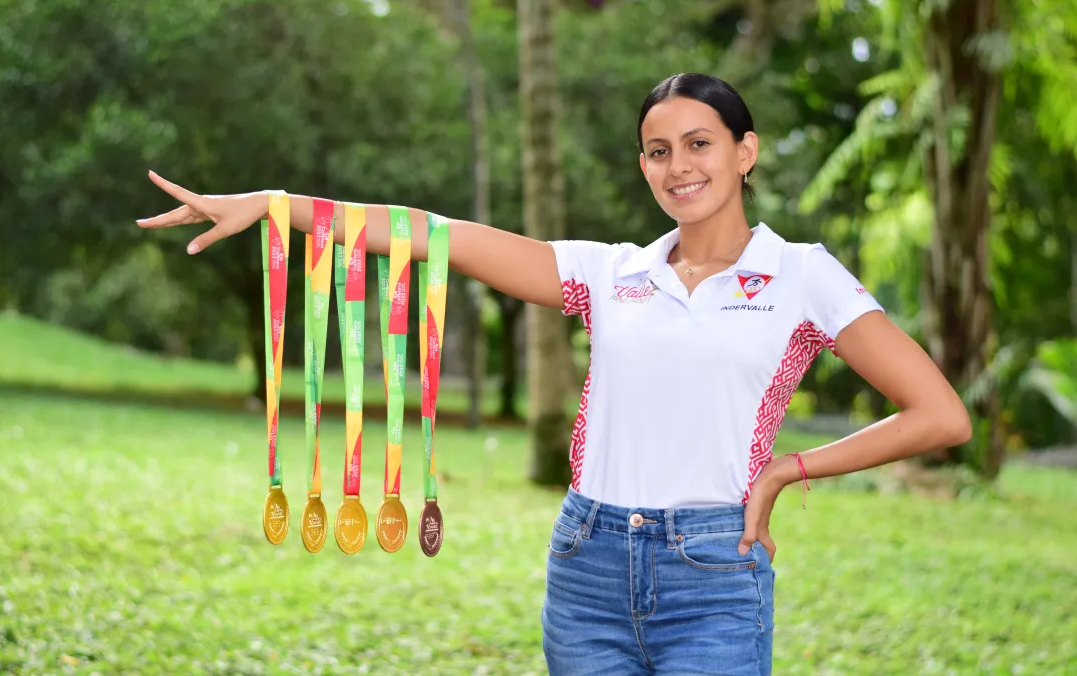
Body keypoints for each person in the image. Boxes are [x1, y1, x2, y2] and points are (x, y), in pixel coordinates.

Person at [138, 72, 971, 675]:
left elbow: (938, 414)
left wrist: (791, 468)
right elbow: (434, 233)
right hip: (587, 561)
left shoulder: (802, 275)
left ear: (744, 151)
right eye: (658, 151)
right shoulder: (609, 273)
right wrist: (276, 207)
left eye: (699, 144)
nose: (678, 166)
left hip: (715, 571)